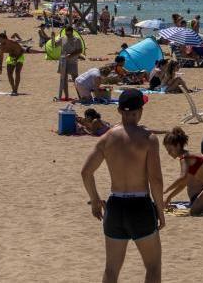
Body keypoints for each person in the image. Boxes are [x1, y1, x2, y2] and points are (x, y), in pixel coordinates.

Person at [80, 89, 165, 283]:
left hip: (115, 206)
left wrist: (94, 200)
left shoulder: (107, 138)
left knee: (111, 270)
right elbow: (156, 180)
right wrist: (160, 211)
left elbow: (86, 172)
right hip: (140, 207)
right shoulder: (148, 139)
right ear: (140, 111)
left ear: (119, 110)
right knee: (153, 266)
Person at [57, 26, 84, 101]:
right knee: (64, 79)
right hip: (63, 61)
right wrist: (52, 37)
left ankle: (80, 96)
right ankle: (66, 96)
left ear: (72, 32)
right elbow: (54, 44)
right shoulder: (62, 38)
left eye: (69, 34)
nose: (67, 35)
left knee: (76, 79)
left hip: (73, 62)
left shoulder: (77, 39)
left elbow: (80, 50)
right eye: (66, 33)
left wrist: (71, 55)